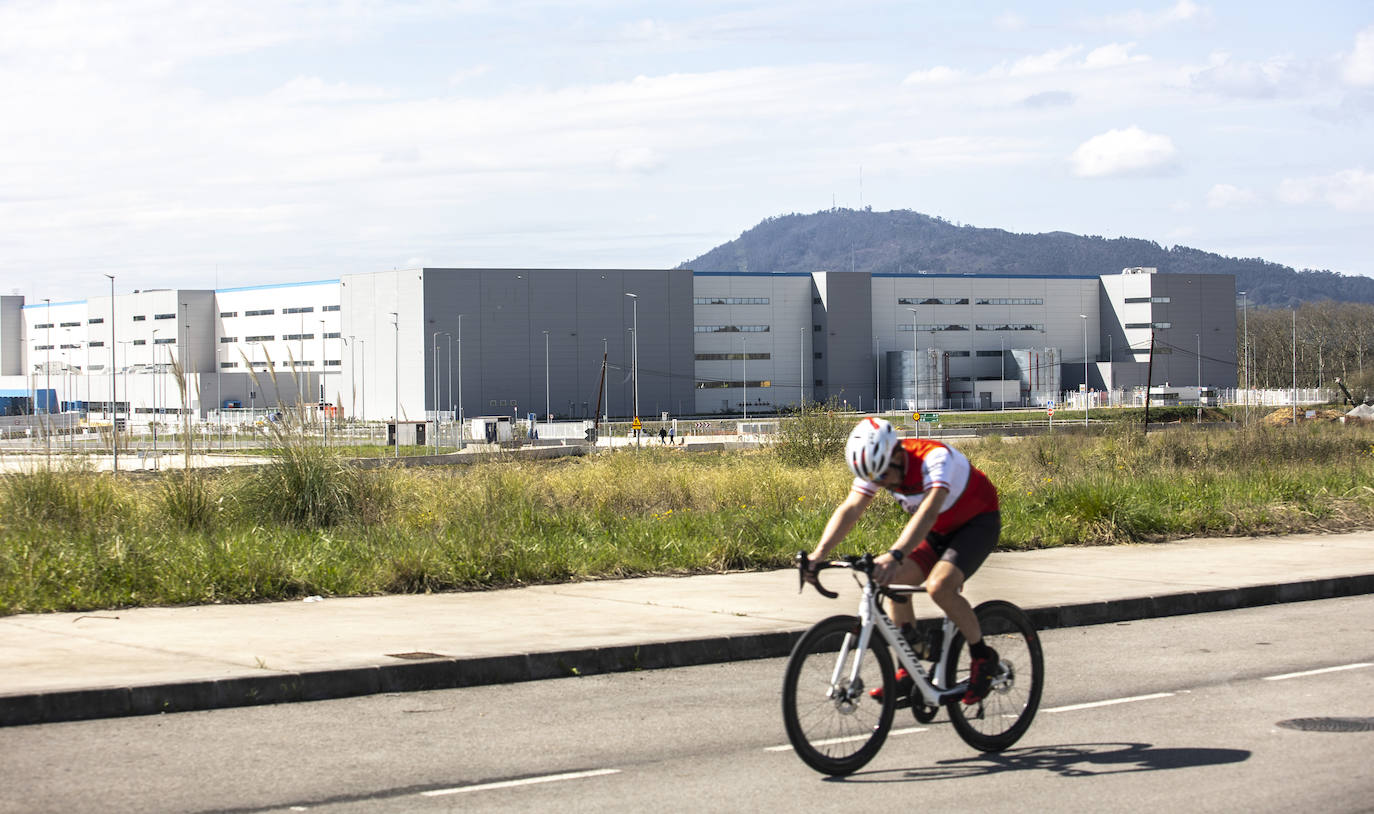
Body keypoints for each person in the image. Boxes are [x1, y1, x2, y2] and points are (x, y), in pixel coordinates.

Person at [805, 416, 1001, 706]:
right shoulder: (877, 467)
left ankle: (983, 657)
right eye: (874, 479)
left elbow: (929, 512)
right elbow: (852, 508)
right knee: (890, 581)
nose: (881, 484)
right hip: (936, 530)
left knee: (939, 586)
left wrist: (896, 554)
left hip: (976, 523)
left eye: (883, 476)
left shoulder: (934, 459)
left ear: (896, 454)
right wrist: (818, 554)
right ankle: (907, 669)